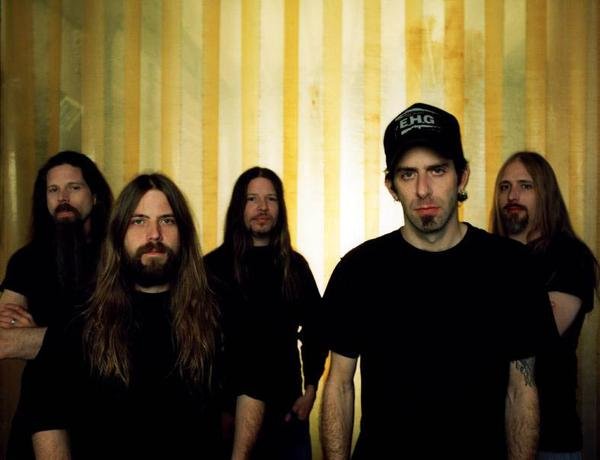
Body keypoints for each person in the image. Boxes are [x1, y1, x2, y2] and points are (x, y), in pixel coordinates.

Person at [320, 102, 558, 459]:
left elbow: (521, 390)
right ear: (391, 186)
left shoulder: (512, 269)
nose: (423, 189)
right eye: (408, 174)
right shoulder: (360, 270)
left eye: (437, 170)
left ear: (462, 177)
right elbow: (339, 386)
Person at [25, 173, 223, 459]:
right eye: (139, 221)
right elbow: (45, 412)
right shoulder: (79, 314)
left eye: (167, 220)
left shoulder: (217, 308)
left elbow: (252, 384)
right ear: (119, 233)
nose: (154, 234)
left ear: (184, 232)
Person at [205, 167, 326, 460]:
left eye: (271, 199)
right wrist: (215, 407)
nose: (262, 207)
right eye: (252, 199)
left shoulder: (295, 267)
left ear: (280, 207)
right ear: (239, 206)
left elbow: (317, 329)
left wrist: (310, 390)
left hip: (286, 417)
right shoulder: (212, 268)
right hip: (226, 419)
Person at [0, 151, 113, 459]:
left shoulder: (117, 257)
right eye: (53, 189)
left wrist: (35, 336)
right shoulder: (25, 260)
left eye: (74, 187)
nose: (63, 197)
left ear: (95, 196)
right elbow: (3, 340)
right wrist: (80, 339)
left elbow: (119, 338)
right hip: (41, 403)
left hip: (105, 403)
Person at [490, 151, 599, 460]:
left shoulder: (570, 257)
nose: (512, 196)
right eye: (504, 187)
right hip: (490, 438)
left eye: (525, 186)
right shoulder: (489, 256)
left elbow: (537, 333)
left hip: (551, 439)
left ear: (546, 194)